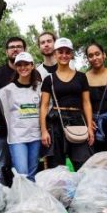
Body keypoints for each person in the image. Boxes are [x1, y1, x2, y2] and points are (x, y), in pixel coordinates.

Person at [39, 38, 95, 170]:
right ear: (55, 53)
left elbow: (86, 103)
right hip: (56, 123)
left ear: (71, 54)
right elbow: (44, 106)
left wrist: (90, 127)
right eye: (60, 52)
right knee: (56, 167)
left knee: (83, 165)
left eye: (67, 52)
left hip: (77, 121)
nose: (64, 55)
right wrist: (43, 130)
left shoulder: (81, 77)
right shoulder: (49, 79)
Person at [0, 52, 42, 181]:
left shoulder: (40, 87)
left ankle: (31, 201)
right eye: (19, 65)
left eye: (26, 64)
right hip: (17, 138)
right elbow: (4, 112)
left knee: (33, 174)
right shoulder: (7, 91)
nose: (23, 68)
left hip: (35, 136)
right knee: (22, 173)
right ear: (16, 67)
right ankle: (21, 199)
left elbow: (45, 108)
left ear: (32, 65)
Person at [0, 36, 28, 184]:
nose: (15, 49)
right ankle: (1, 201)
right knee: (3, 167)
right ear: (6, 51)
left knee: (23, 169)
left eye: (19, 46)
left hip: (26, 131)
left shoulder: (31, 73)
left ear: (24, 50)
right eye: (12, 47)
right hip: (3, 131)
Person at [84, 41, 107, 154]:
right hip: (94, 127)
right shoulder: (83, 78)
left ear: (104, 55)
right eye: (91, 55)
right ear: (88, 59)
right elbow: (84, 102)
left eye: (97, 54)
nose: (94, 57)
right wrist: (88, 122)